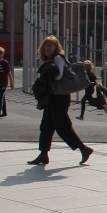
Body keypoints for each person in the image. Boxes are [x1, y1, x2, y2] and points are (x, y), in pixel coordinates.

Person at [29, 36, 93, 166]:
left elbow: (58, 76)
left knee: (63, 126)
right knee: (46, 126)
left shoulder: (58, 58)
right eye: (46, 45)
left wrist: (47, 74)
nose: (47, 48)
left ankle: (83, 149)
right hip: (52, 96)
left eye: (50, 46)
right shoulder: (48, 59)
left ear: (56, 47)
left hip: (60, 97)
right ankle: (43, 154)